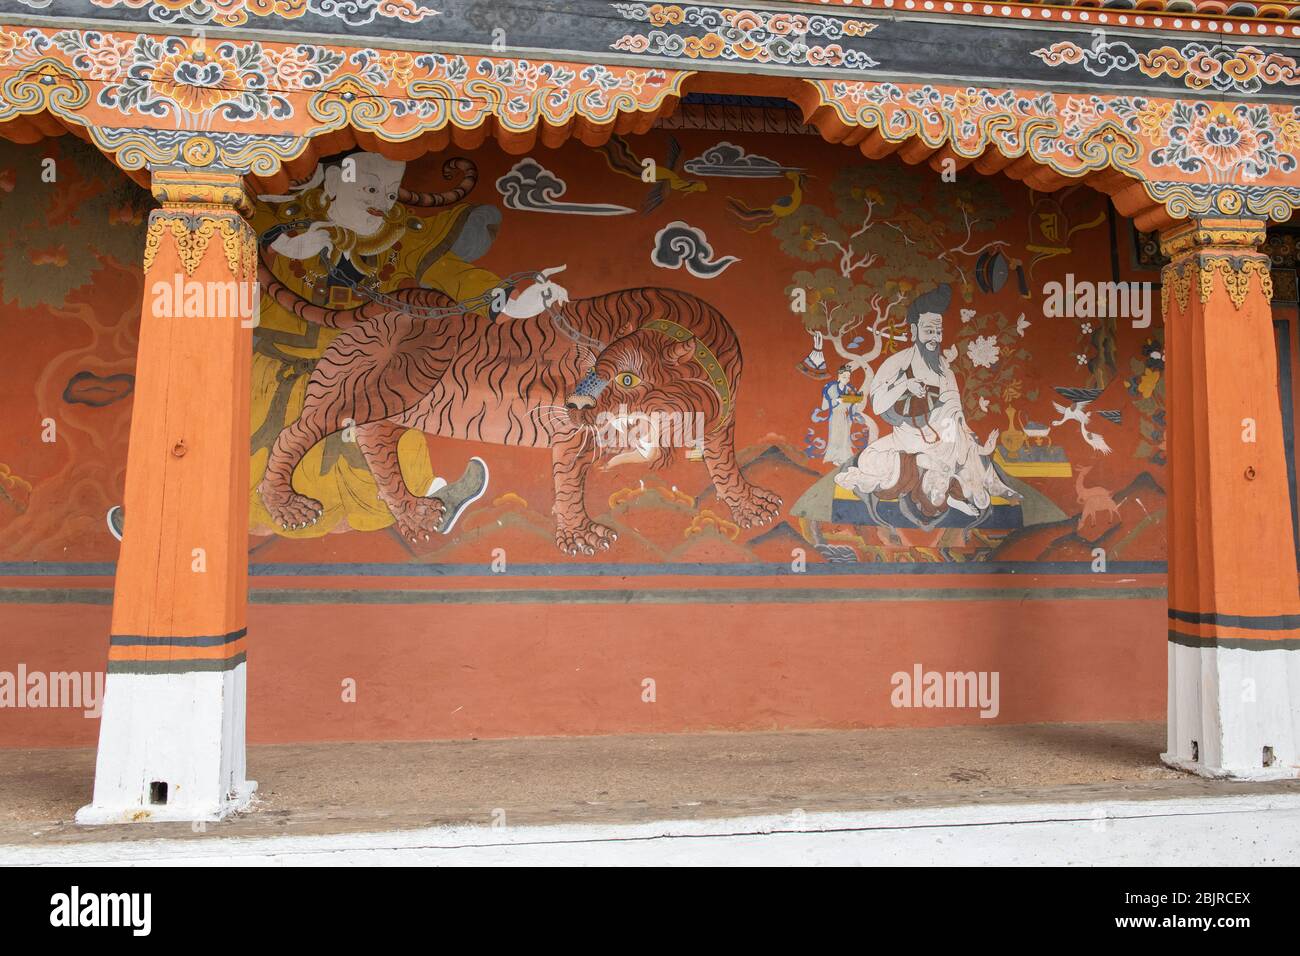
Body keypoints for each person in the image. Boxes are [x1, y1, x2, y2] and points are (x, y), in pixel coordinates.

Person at [836, 285, 1016, 519]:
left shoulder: (944, 370)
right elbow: (878, 405)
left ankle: (958, 483)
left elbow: (956, 411)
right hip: (905, 437)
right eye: (929, 331)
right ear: (914, 330)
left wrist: (974, 443)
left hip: (943, 441)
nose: (935, 338)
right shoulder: (897, 363)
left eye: (938, 332)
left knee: (959, 441)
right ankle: (933, 472)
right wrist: (904, 385)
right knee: (869, 461)